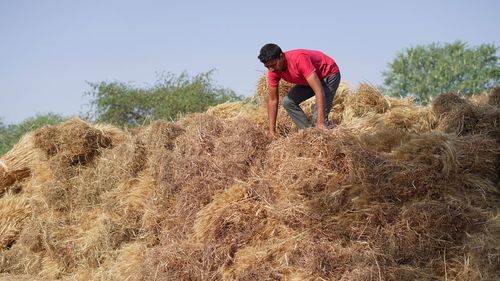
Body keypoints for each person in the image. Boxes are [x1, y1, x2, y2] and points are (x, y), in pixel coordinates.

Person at [258, 43, 341, 137]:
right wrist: (272, 131)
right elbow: (273, 100)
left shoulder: (299, 59)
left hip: (328, 75)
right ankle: (309, 134)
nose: (271, 69)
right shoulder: (273, 71)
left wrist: (321, 123)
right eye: (267, 67)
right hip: (308, 80)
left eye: (273, 65)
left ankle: (336, 136)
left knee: (317, 120)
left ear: (281, 56)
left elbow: (319, 90)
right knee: (288, 102)